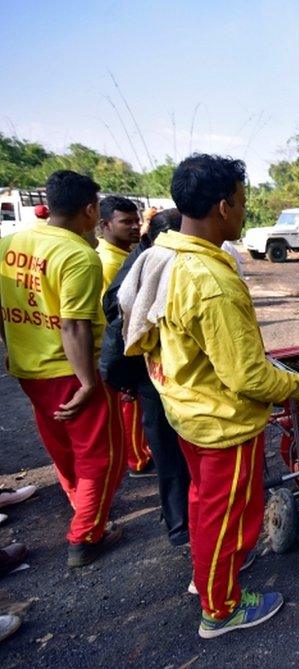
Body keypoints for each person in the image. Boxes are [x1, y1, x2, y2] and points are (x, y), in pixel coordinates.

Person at [122, 154, 299, 638]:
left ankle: (207, 579)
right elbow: (248, 378)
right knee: (229, 515)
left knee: (204, 503)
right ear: (222, 207)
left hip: (187, 408)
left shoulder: (165, 254)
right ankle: (222, 609)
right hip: (222, 422)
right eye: (241, 202)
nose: (243, 211)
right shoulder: (211, 281)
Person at [0, 170, 125, 567]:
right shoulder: (77, 255)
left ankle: (82, 513)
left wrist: (11, 347)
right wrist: (89, 382)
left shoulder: (11, 242)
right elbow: (73, 324)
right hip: (68, 371)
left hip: (29, 369)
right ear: (90, 210)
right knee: (100, 457)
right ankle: (86, 536)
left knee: (62, 447)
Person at [103, 208, 190, 547]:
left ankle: (179, 516)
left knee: (173, 451)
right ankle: (181, 526)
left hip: (155, 374)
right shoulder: (148, 266)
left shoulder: (140, 261)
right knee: (170, 451)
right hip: (155, 376)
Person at [97, 195, 154, 477]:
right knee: (131, 405)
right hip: (121, 345)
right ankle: (138, 459)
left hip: (122, 344)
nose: (134, 227)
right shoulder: (109, 264)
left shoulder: (123, 256)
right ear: (104, 225)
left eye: (137, 221)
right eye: (126, 222)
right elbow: (116, 313)